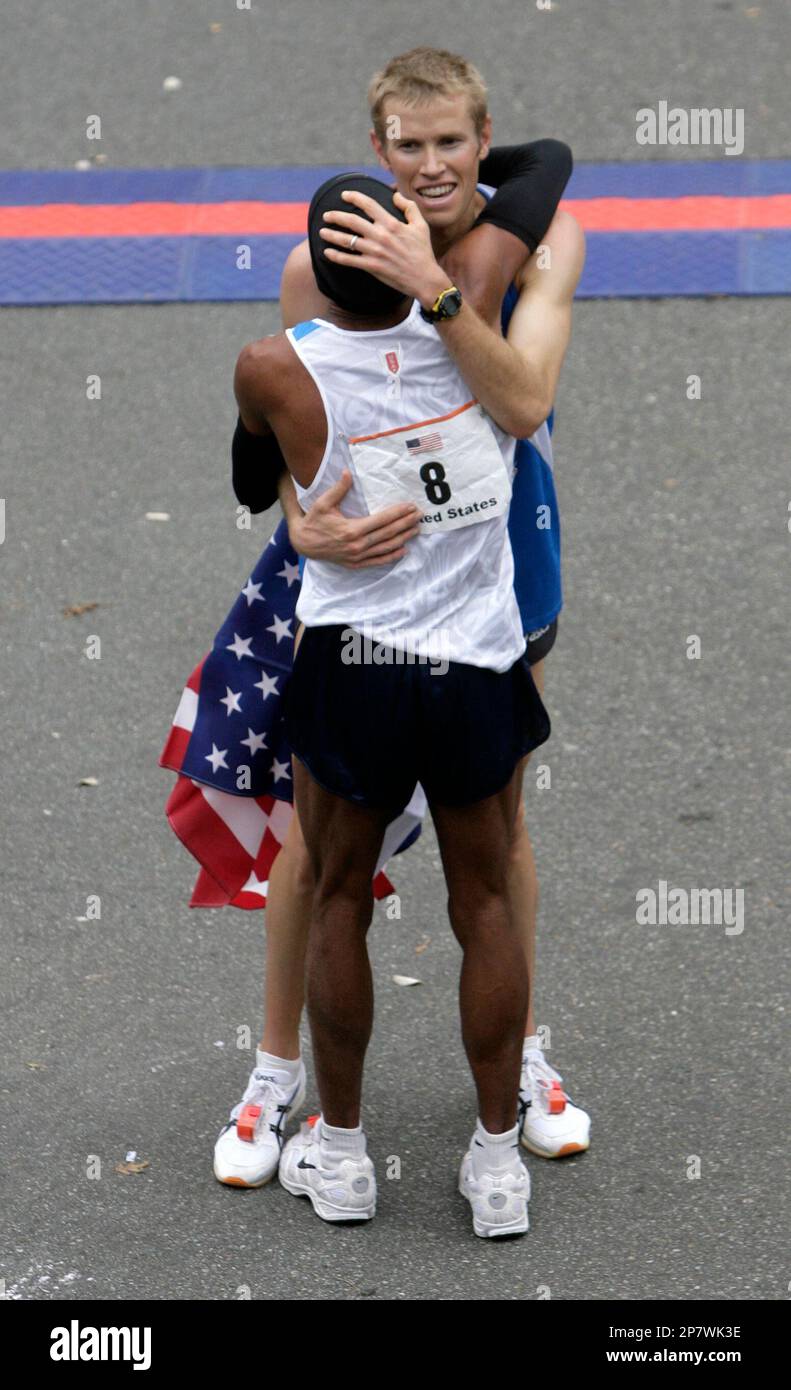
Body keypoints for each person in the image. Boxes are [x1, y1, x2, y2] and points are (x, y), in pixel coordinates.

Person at [159, 47, 588, 1193]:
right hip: (357, 570)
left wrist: (433, 269)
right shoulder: (320, 265)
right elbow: (309, 421)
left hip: (500, 557)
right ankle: (275, 1069)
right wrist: (301, 525)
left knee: (497, 842)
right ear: (377, 153)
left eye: (454, 143)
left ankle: (522, 1050)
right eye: (410, 146)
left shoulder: (535, 243)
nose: (436, 164)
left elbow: (522, 400)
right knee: (322, 844)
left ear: (482, 138)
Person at [232, 168, 559, 1236]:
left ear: (314, 274)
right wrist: (438, 230)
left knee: (335, 893)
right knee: (487, 903)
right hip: (474, 665)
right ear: (410, 251)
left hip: (353, 664)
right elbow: (544, 168)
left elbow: (248, 480)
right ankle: (497, 1163)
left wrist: (299, 509)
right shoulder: (474, 328)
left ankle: (341, 1154)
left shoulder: (275, 368)